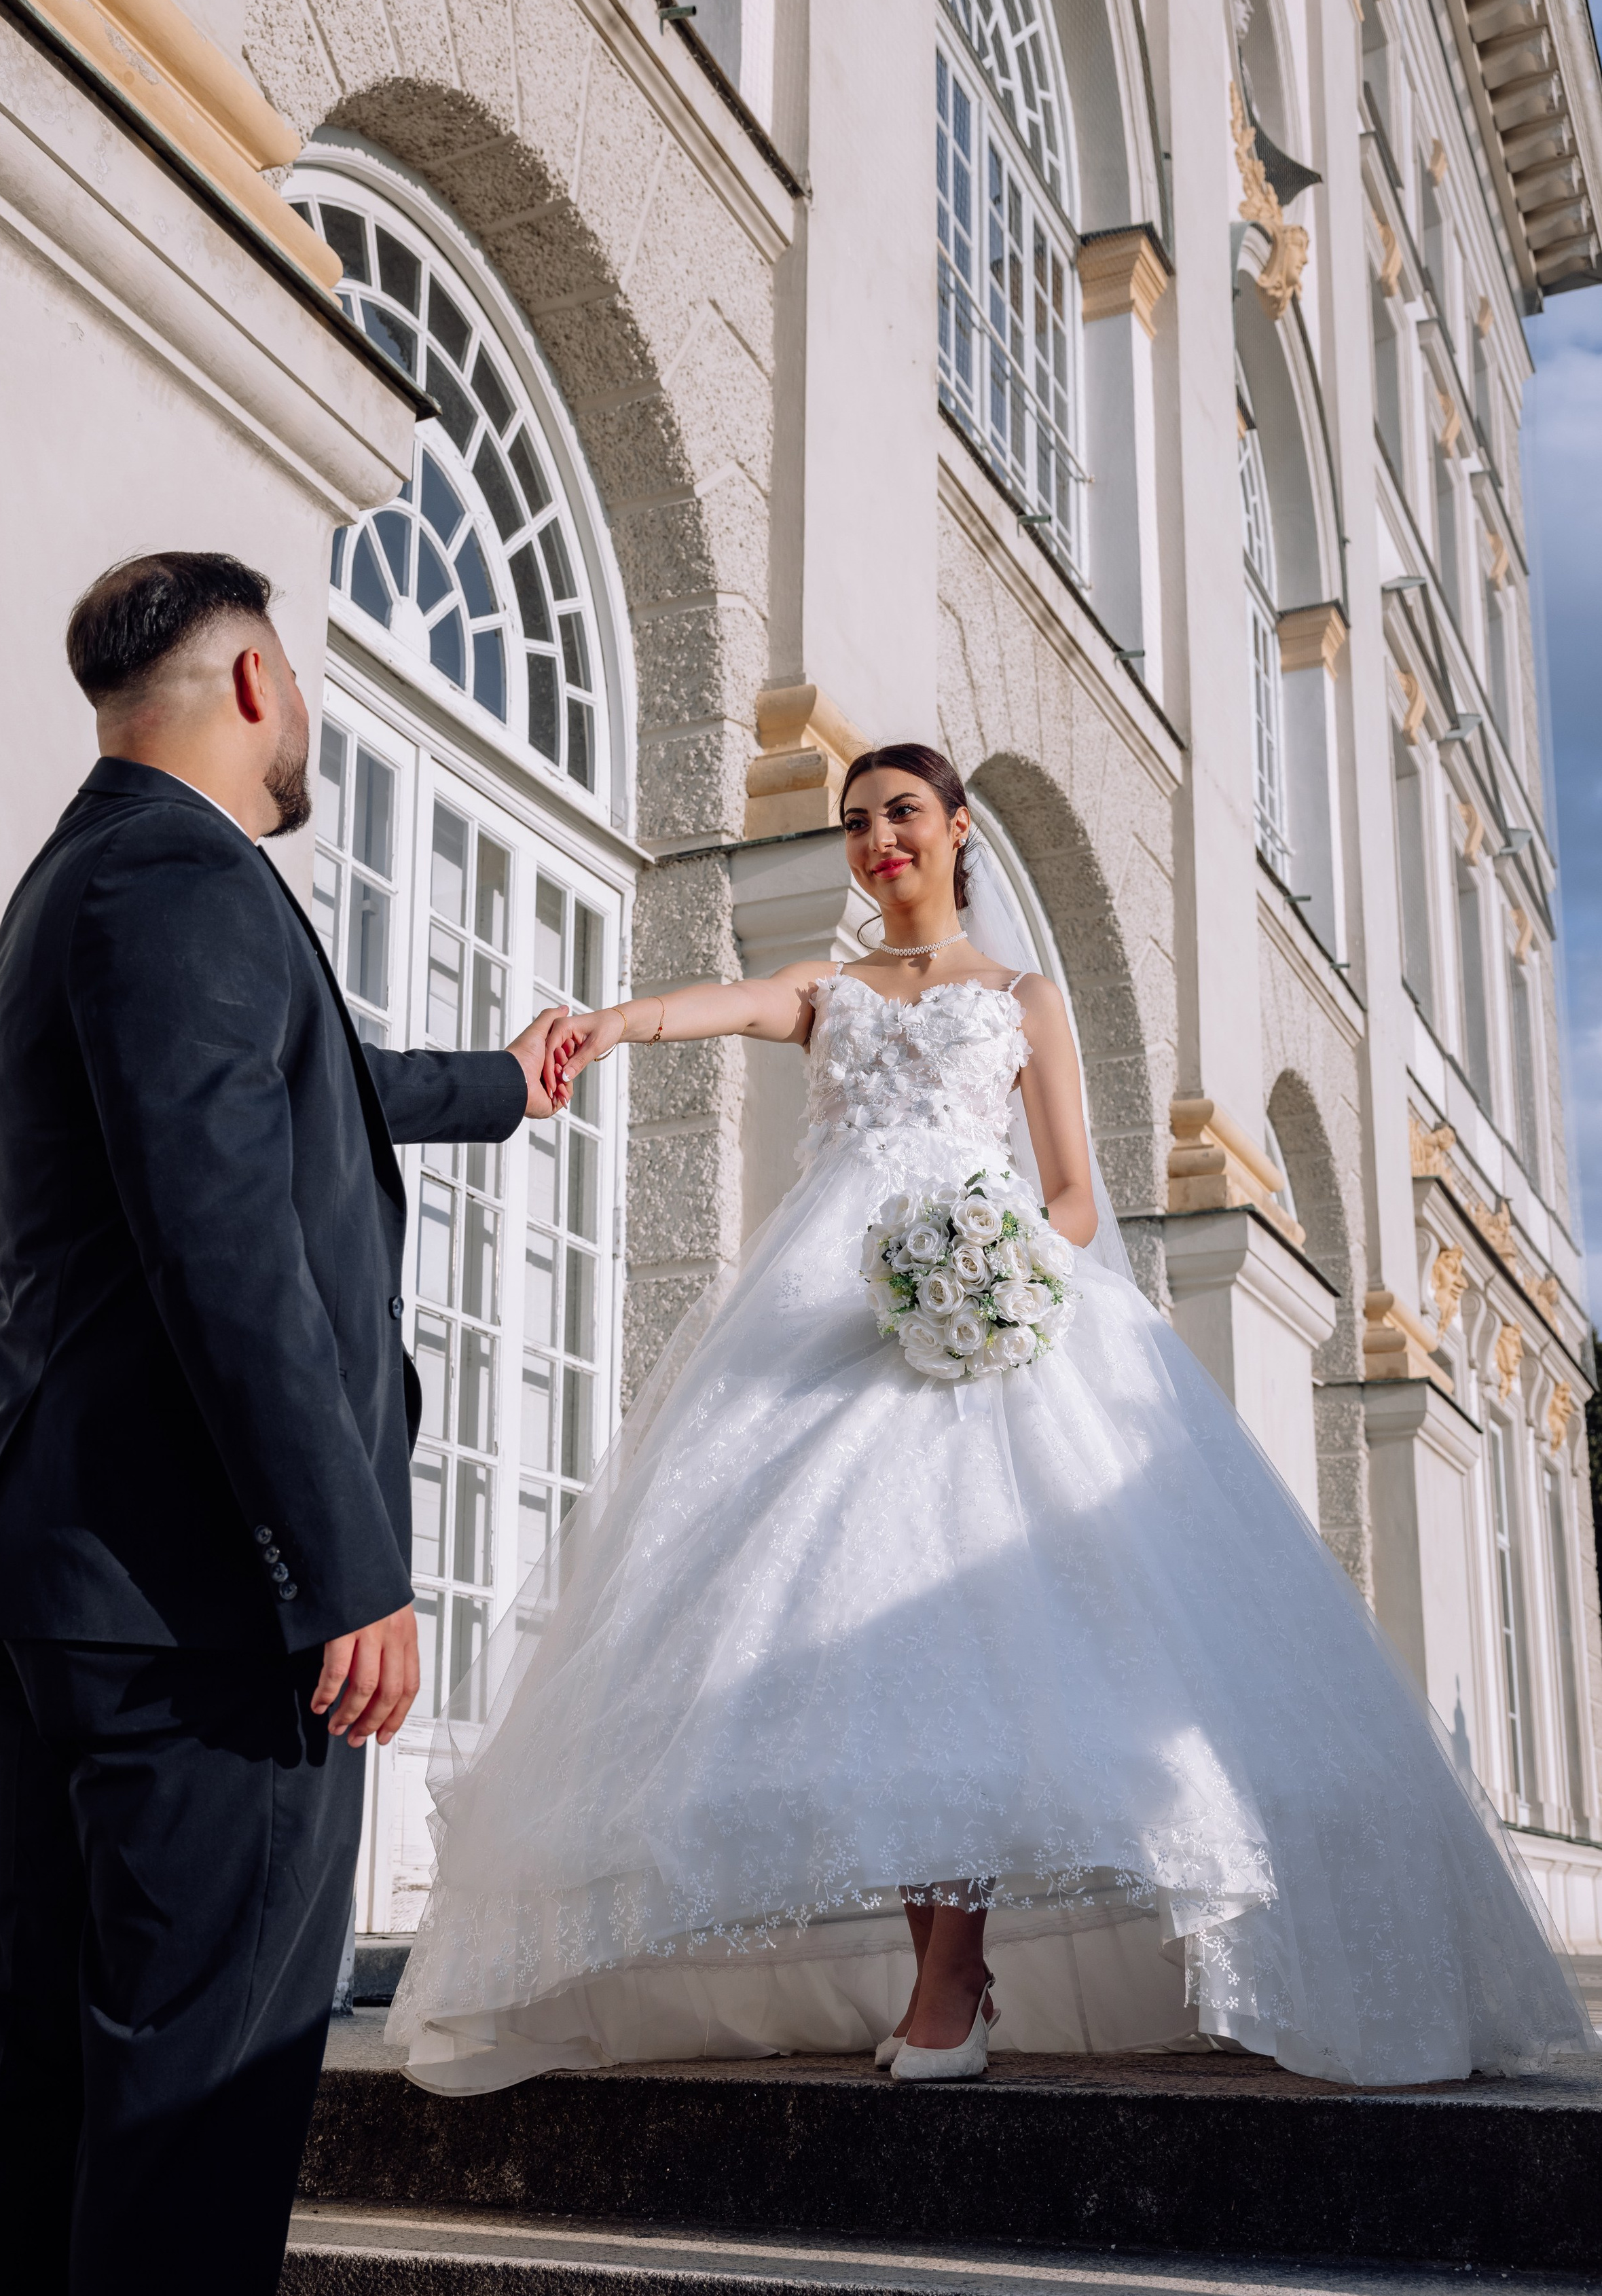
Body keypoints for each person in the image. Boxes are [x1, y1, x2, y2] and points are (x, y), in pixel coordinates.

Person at [388, 741, 1595, 2098]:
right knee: (868, 1633)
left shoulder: (1021, 996)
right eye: (855, 822)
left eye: (900, 812)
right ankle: (941, 1975)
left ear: (956, 829)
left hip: (992, 1317)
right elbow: (718, 1006)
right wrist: (605, 1022)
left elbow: (1074, 1192)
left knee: (968, 1630)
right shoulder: (829, 988)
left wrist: (1002, 1262)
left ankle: (951, 1976)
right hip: (834, 1313)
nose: (875, 837)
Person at [0, 552, 565, 2296]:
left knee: (51, 2106)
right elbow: (226, 1239)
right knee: (191, 2127)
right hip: (203, 1611)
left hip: (72, 1586)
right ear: (261, 677)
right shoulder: (188, 886)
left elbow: (310, 1092)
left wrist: (512, 1084)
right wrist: (343, 1555)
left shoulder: (96, 877)